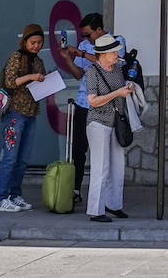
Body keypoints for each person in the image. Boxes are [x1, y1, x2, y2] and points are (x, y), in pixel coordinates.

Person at [61, 12, 126, 204]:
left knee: (108, 156)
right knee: (78, 149)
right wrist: (67, 58)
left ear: (99, 30)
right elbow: (78, 74)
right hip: (84, 103)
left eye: (88, 35)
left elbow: (112, 64)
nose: (85, 39)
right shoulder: (84, 46)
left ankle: (108, 198)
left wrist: (81, 53)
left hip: (108, 106)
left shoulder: (116, 41)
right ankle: (75, 189)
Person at [0, 23, 47, 213]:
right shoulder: (16, 57)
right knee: (10, 157)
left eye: (40, 42)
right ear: (25, 41)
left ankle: (15, 195)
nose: (36, 46)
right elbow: (10, 82)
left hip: (31, 112)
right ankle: (1, 198)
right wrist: (31, 77)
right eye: (33, 42)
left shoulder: (38, 60)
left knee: (22, 159)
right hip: (14, 113)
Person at [83, 33, 133, 222]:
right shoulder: (92, 71)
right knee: (101, 167)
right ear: (102, 54)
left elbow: (121, 91)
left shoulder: (119, 69)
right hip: (98, 122)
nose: (116, 54)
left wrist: (127, 89)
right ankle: (95, 210)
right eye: (113, 51)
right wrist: (117, 93)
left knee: (118, 167)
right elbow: (93, 101)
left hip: (116, 123)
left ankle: (114, 205)